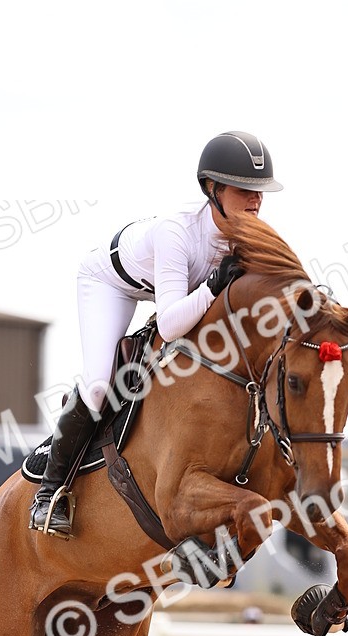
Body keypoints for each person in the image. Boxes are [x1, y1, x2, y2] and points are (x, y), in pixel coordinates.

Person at [29, 131, 283, 536]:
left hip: (168, 293)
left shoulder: (250, 236)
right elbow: (169, 324)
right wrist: (214, 286)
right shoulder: (176, 233)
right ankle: (48, 495)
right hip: (109, 284)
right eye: (243, 189)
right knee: (99, 387)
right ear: (212, 189)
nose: (255, 199)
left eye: (260, 191)